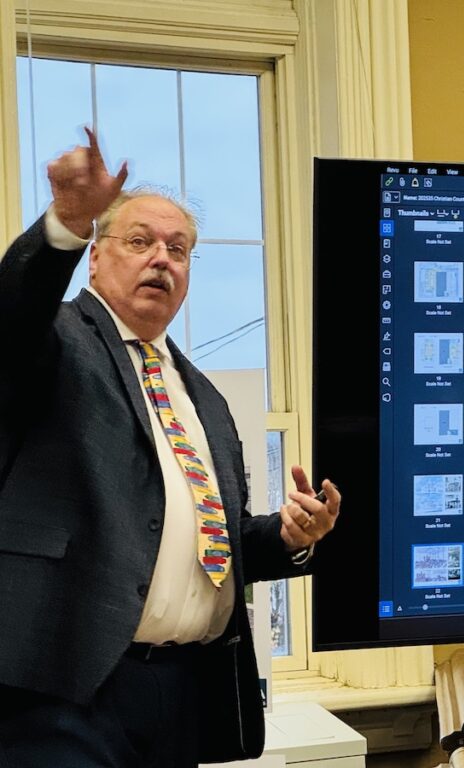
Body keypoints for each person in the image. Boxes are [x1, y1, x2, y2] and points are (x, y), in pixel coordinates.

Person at [0, 128, 341, 767]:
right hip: (65, 690)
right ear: (95, 258)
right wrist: (64, 224)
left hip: (184, 691)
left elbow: (217, 541)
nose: (162, 258)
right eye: (140, 242)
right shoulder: (54, 341)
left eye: (178, 249)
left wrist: (289, 536)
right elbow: (13, 311)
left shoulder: (201, 396)